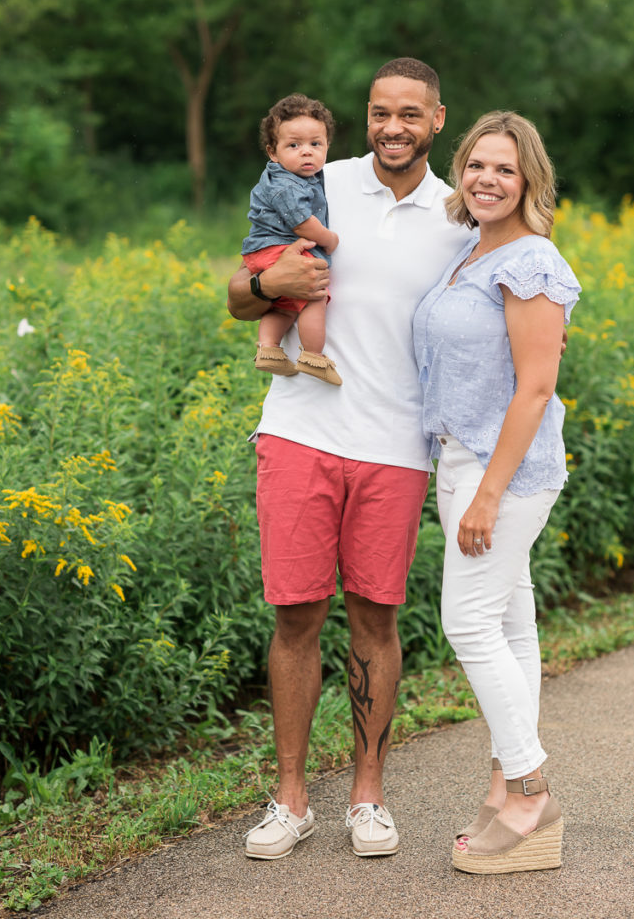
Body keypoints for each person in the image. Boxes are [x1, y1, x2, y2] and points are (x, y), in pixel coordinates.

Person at [227, 58, 470, 859]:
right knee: (294, 615)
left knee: (376, 616)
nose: (391, 127)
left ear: (437, 120)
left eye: (409, 114)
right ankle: (291, 798)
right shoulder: (314, 176)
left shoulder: (459, 211)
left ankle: (367, 795)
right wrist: (269, 288)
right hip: (301, 432)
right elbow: (237, 292)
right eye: (377, 112)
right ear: (362, 118)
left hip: (397, 448)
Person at [413, 111, 581, 874]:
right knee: (511, 619)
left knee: (469, 621)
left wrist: (486, 494)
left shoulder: (531, 260)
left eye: (505, 169)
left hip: (499, 471)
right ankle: (504, 788)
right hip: (463, 460)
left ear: (529, 181)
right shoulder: (471, 252)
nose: (487, 178)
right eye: (477, 164)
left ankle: (531, 789)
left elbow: (537, 387)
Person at [241, 93, 342, 385]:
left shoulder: (302, 177)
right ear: (273, 152)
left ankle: (269, 349)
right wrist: (328, 238)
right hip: (276, 249)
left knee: (286, 305)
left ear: (327, 146)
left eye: (315, 144)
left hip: (265, 250)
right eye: (294, 145)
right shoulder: (286, 183)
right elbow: (300, 222)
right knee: (314, 294)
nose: (306, 152)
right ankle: (313, 356)